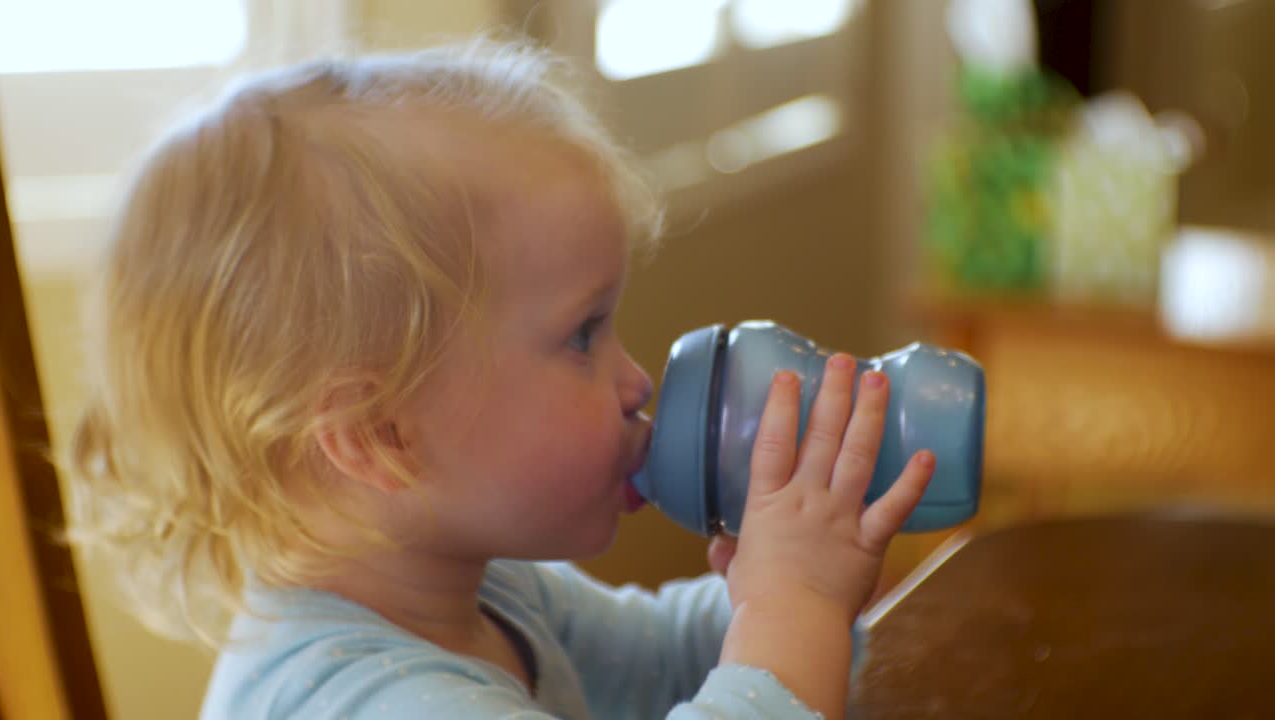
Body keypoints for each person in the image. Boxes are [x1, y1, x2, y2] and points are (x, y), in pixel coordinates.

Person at [65, 38, 935, 719]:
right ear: (378, 434)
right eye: (582, 336)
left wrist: (790, 575)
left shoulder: (479, 587)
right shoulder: (361, 704)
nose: (636, 380)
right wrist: (795, 609)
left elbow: (663, 662)